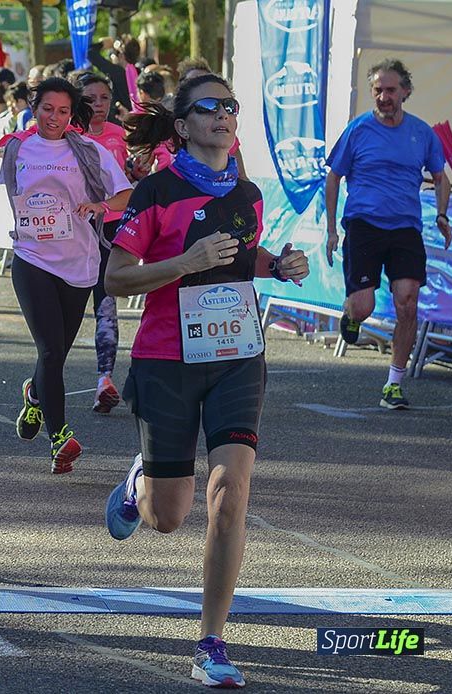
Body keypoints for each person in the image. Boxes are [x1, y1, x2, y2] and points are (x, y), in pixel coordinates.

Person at [103, 74, 310, 688]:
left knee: (230, 492)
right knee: (169, 516)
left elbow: (243, 257)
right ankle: (140, 482)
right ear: (183, 125)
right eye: (208, 107)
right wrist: (183, 264)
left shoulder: (248, 193)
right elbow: (116, 277)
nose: (223, 115)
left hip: (237, 356)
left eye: (230, 106)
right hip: (166, 359)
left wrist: (279, 266)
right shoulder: (156, 191)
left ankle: (211, 642)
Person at [1, 77, 132, 473]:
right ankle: (60, 437)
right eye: (47, 109)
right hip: (32, 258)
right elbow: (9, 196)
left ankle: (35, 395)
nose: (53, 118)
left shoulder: (88, 150)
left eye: (62, 111)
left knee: (56, 353)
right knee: (50, 351)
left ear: (72, 114)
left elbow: (126, 194)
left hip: (79, 263)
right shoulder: (18, 148)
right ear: (33, 108)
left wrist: (99, 206)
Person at [325, 58, 451, 409]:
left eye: (390, 90)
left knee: (407, 302)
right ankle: (350, 313)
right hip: (364, 224)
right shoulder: (358, 130)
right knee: (363, 307)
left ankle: (393, 384)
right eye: (378, 90)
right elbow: (333, 177)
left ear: (405, 92)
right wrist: (332, 229)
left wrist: (441, 214)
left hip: (405, 227)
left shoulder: (421, 133)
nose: (383, 97)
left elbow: (441, 177)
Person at [74, 70, 134, 414]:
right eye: (90, 99)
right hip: (74, 231)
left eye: (105, 98)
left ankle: (104, 380)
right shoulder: (67, 136)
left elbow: (128, 179)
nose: (99, 105)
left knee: (106, 304)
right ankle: (42, 381)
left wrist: (139, 170)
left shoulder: (119, 134)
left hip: (110, 229)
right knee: (67, 309)